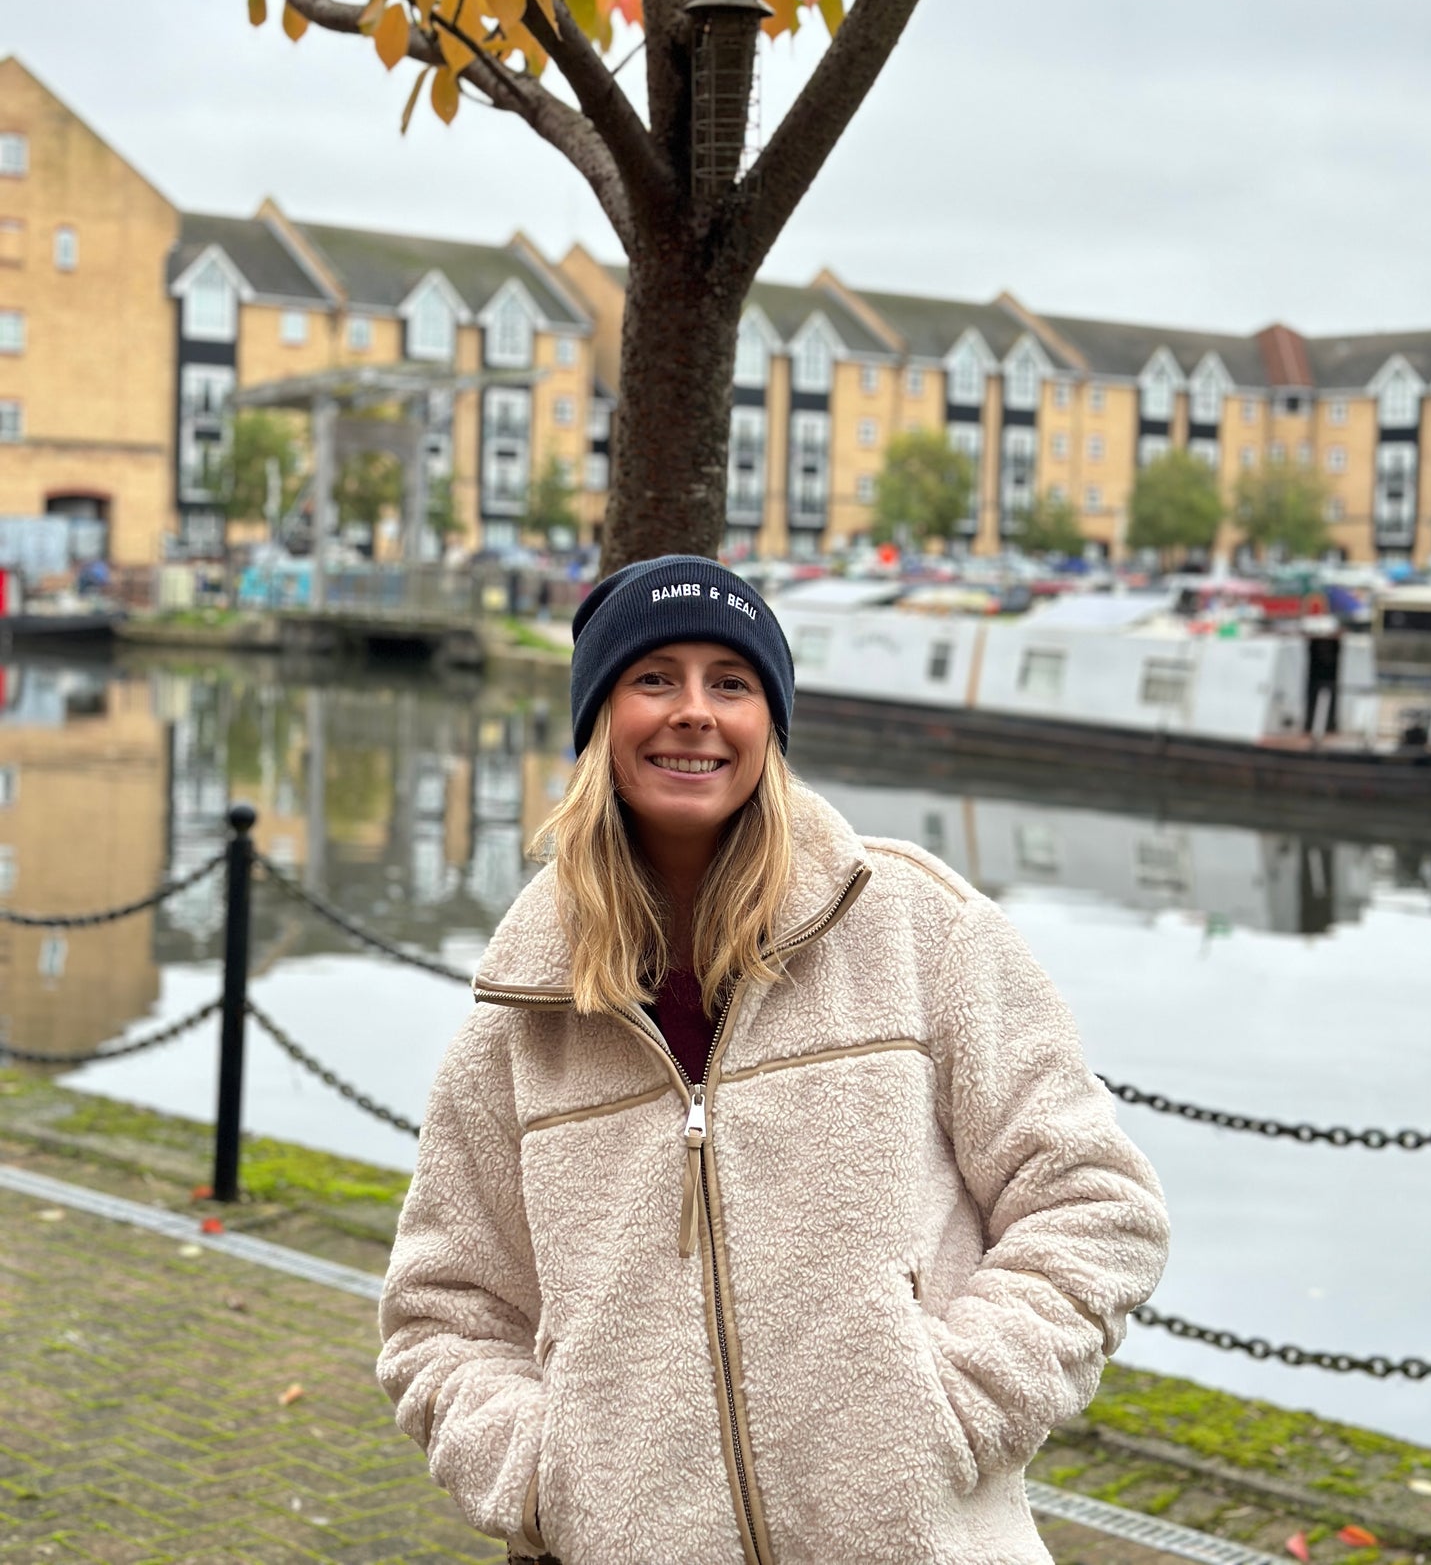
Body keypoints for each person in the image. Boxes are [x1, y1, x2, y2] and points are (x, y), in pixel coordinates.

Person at [378, 554, 1169, 1565]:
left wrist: (949, 1411)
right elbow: (441, 1319)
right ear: (597, 718)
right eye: (653, 677)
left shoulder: (913, 926)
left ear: (769, 722)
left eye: (731, 682)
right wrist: (552, 1478)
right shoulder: (522, 1011)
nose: (694, 712)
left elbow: (1093, 1203)